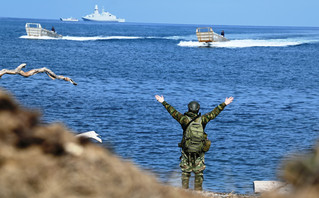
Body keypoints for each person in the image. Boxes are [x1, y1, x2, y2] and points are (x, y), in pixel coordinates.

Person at [155, 95, 234, 190]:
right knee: (199, 173)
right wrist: (224, 104)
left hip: (186, 150)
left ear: (188, 109)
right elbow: (213, 113)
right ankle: (198, 193)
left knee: (185, 172)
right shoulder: (203, 119)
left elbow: (173, 112)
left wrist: (163, 102)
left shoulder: (183, 119)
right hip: (199, 150)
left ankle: (184, 193)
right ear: (198, 109)